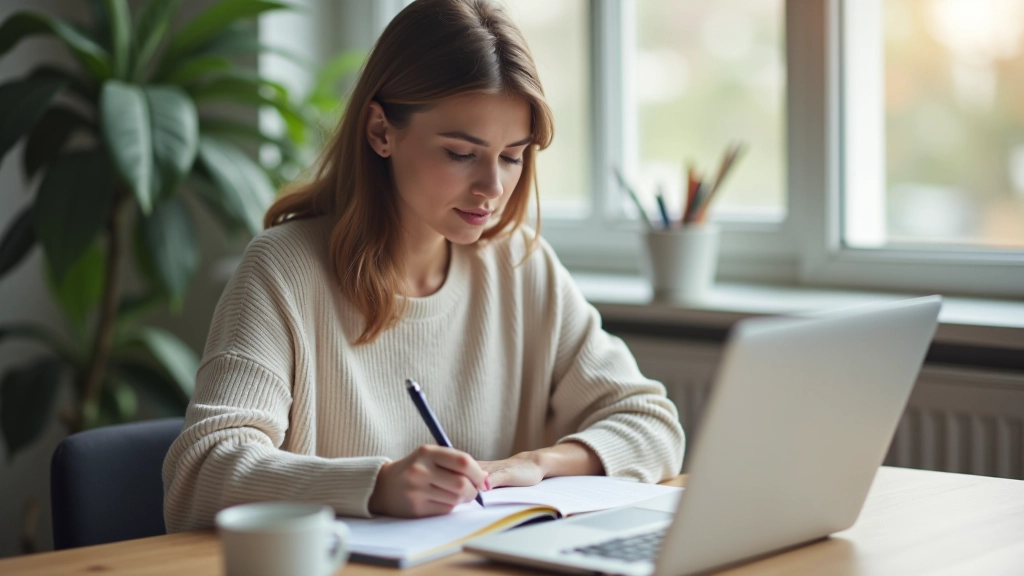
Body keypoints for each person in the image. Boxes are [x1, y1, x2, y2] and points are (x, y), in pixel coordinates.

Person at [162, 0, 684, 532]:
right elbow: (201, 471)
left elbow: (652, 423)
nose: (493, 189)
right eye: (461, 153)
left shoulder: (520, 264)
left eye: (512, 155)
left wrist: (535, 464)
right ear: (380, 132)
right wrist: (377, 486)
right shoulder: (284, 271)